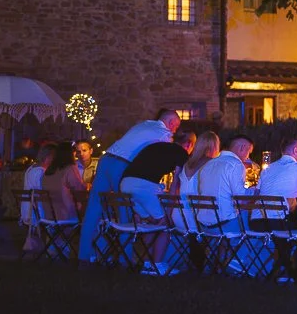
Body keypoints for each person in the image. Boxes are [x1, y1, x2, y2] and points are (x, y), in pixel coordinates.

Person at [79, 108, 181, 261]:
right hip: (122, 165)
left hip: (106, 159)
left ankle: (84, 256)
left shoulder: (144, 124)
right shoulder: (163, 133)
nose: (175, 130)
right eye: (176, 126)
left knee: (93, 208)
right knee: (125, 210)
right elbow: (167, 155)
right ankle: (124, 259)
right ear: (172, 122)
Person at [118, 130, 194, 274]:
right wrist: (169, 212)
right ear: (189, 144)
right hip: (144, 186)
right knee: (164, 225)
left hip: (125, 183)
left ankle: (147, 264)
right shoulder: (181, 153)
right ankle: (158, 265)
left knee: (151, 224)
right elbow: (176, 181)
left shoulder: (157, 146)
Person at [180, 132, 245, 234]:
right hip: (196, 216)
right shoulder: (211, 163)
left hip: (180, 213)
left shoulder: (187, 164)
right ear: (215, 146)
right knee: (239, 216)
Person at [256, 136, 297, 210]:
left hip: (257, 218)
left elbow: (256, 193)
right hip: (281, 219)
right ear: (295, 151)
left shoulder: (267, 169)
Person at [40, 143, 88, 221]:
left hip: (50, 216)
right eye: (74, 153)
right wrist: (87, 186)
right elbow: (80, 189)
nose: (75, 156)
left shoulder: (49, 170)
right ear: (70, 154)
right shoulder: (70, 168)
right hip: (66, 214)